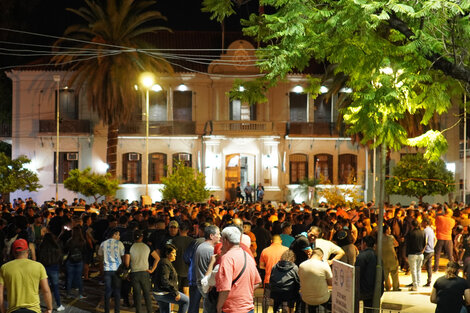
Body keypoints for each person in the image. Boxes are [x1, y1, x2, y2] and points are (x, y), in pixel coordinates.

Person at [215, 226, 262, 313]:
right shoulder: (247, 256)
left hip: (232, 308)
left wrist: (219, 306)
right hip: (248, 307)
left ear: (225, 240)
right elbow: (258, 282)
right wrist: (244, 293)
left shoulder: (227, 258)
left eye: (221, 239)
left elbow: (225, 288)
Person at [0, 238, 53, 313]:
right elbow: (46, 291)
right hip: (34, 310)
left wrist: (2, 310)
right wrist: (49, 308)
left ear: (13, 252)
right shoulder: (39, 266)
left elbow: (0, 292)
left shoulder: (5, 268)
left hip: (13, 310)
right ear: (28, 252)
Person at [153, 244, 189, 313]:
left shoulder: (164, 262)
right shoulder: (165, 263)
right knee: (186, 301)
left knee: (165, 311)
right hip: (164, 292)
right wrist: (175, 292)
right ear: (167, 254)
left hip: (160, 292)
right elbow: (165, 280)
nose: (175, 255)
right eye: (173, 253)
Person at [129, 230, 158, 313]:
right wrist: (152, 269)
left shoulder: (131, 247)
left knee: (137, 294)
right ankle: (150, 310)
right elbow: (157, 258)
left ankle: (138, 311)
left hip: (134, 272)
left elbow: (127, 261)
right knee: (147, 294)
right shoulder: (147, 246)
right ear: (142, 237)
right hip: (145, 272)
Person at [259, 234, 288, 313]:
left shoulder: (265, 250)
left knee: (266, 298)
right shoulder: (286, 250)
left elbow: (261, 266)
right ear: (281, 241)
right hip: (283, 279)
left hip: (269, 279)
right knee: (284, 300)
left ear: (271, 241)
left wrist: (268, 267)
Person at [195, 225, 221, 313]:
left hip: (201, 282)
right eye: (218, 234)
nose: (220, 236)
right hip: (208, 286)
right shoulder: (210, 250)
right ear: (211, 236)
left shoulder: (200, 246)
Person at [98, 228, 125, 313]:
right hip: (117, 270)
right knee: (117, 291)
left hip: (107, 269)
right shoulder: (120, 244)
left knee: (108, 290)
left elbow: (100, 255)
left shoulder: (103, 243)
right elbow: (123, 256)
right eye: (118, 234)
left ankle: (107, 310)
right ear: (114, 234)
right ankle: (117, 310)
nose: (119, 236)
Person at [298, 247, 332, 312]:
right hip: (322, 299)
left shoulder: (301, 265)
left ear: (311, 255)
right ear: (321, 257)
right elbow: (331, 283)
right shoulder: (325, 265)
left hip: (306, 298)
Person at [38, 233, 65, 311]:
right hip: (54, 268)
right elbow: (60, 258)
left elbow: (39, 258)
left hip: (44, 269)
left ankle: (44, 304)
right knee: (55, 288)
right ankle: (59, 305)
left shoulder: (41, 247)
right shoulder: (56, 247)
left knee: (44, 288)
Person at [355, 236, 381, 313]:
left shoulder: (362, 256)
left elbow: (358, 272)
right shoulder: (378, 257)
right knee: (370, 308)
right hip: (375, 287)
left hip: (364, 288)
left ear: (364, 244)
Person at [64, 225, 86, 299]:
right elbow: (84, 251)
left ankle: (68, 294)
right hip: (79, 261)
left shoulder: (69, 241)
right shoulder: (82, 241)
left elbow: (65, 250)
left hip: (70, 260)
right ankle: (80, 294)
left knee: (69, 278)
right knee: (79, 278)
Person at [406, 219, 425, 291]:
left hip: (412, 253)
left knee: (413, 270)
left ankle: (415, 285)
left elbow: (408, 244)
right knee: (418, 269)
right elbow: (424, 243)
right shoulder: (422, 232)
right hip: (420, 253)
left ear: (412, 225)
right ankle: (419, 283)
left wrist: (406, 254)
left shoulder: (410, 233)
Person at [381, 224, 400, 291]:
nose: (390, 230)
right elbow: (396, 244)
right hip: (392, 257)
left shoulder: (379, 238)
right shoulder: (391, 237)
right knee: (394, 273)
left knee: (385, 273)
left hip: (383, 257)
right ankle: (395, 287)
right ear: (386, 230)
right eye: (389, 229)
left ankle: (387, 286)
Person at [422, 218, 436, 287]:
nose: (421, 223)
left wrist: (422, 250)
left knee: (420, 265)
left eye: (422, 222)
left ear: (425, 223)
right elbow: (435, 239)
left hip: (426, 251)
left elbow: (425, 241)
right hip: (431, 250)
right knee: (429, 266)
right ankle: (429, 281)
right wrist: (433, 246)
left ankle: (416, 282)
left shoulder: (425, 230)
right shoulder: (431, 230)